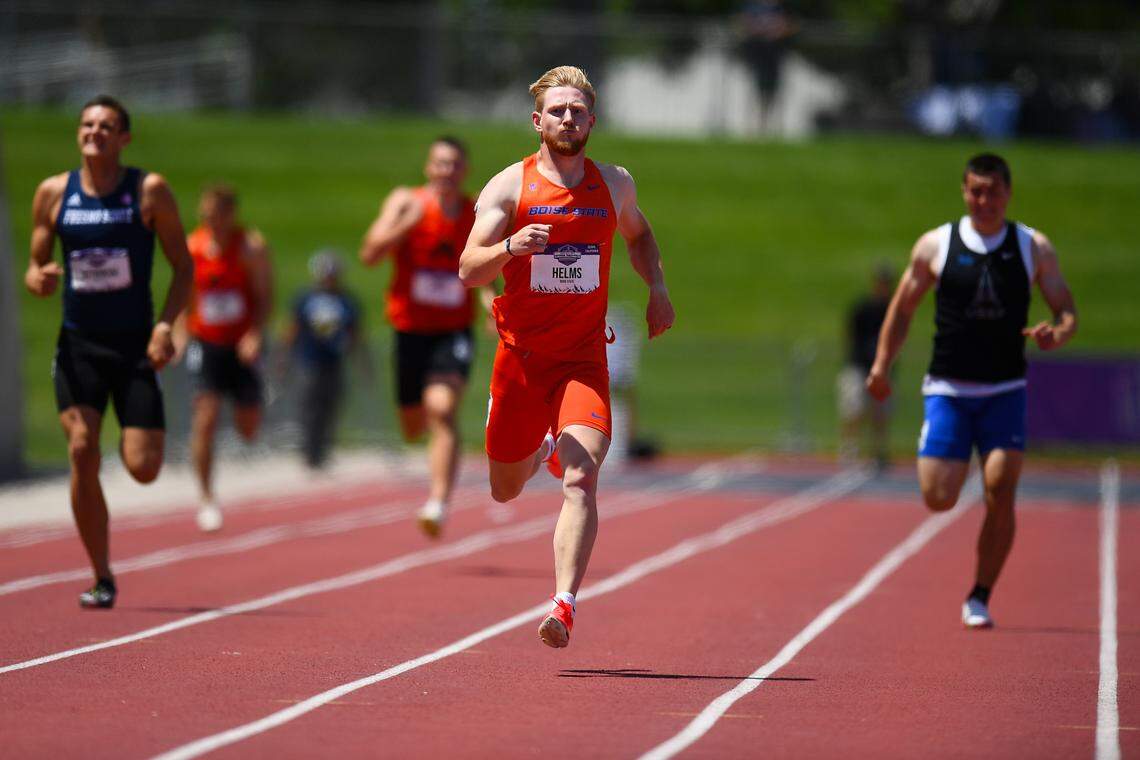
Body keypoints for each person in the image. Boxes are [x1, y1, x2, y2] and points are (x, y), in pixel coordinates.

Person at [458, 65, 675, 648]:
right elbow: (466, 267)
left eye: (578, 111)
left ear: (592, 121)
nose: (568, 119)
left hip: (582, 358)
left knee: (582, 476)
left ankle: (564, 603)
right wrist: (510, 245)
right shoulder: (508, 187)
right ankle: (537, 452)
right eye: (558, 110)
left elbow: (639, 235)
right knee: (505, 488)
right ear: (538, 121)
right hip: (521, 361)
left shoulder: (615, 184)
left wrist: (656, 287)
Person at [866, 153, 1077, 629]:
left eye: (993, 191)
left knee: (1001, 489)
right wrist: (881, 365)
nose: (984, 200)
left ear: (1008, 193)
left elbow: (1066, 311)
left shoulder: (1033, 248)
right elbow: (902, 310)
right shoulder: (936, 245)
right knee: (938, 497)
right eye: (975, 191)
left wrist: (1056, 333)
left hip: (1005, 388)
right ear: (964, 192)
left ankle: (980, 594)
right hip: (949, 388)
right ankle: (953, 457)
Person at [24, 95, 193, 608]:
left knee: (143, 467)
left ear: (124, 138)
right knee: (81, 448)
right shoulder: (54, 193)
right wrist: (39, 278)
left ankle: (130, 435)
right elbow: (36, 264)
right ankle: (101, 574)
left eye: (107, 125)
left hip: (135, 345)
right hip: (79, 345)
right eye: (87, 124)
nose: (94, 131)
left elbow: (183, 266)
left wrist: (166, 325)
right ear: (79, 132)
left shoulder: (148, 191)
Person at [360, 137, 493, 538]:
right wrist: (406, 224)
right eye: (440, 164)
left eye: (454, 165)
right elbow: (369, 254)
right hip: (409, 328)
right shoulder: (405, 201)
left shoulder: (475, 212)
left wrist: (490, 301)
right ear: (428, 168)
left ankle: (438, 501)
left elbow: (485, 265)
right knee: (414, 424)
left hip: (452, 329)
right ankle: (434, 482)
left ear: (464, 170)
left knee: (442, 408)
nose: (446, 172)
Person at [177, 184, 272, 532]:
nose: (210, 222)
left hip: (241, 342)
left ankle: (244, 405)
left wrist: (255, 332)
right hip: (206, 341)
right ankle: (206, 497)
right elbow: (184, 294)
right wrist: (177, 330)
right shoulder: (192, 247)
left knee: (248, 427)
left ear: (231, 215)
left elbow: (264, 297)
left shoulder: (250, 247)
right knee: (205, 415)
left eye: (217, 216)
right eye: (205, 216)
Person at [281, 250, 363, 470]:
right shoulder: (306, 298)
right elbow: (292, 329)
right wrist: (284, 357)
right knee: (310, 405)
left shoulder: (346, 301)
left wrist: (359, 359)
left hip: (334, 361)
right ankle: (309, 450)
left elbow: (355, 333)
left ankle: (325, 448)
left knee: (331, 404)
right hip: (310, 360)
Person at [836, 264, 893, 469]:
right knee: (854, 410)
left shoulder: (892, 311)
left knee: (880, 413)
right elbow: (849, 335)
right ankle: (849, 450)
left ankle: (878, 452)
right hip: (858, 366)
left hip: (883, 370)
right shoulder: (863, 308)